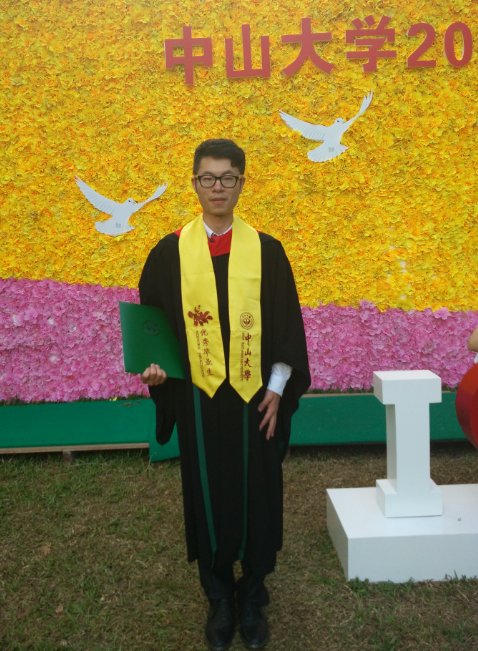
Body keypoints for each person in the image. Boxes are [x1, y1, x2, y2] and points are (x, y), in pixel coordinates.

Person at [139, 139, 310, 650]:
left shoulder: (268, 252)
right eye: (208, 178)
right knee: (207, 492)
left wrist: (277, 389)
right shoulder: (169, 253)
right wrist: (156, 370)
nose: (218, 187)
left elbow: (287, 325)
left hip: (254, 398)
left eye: (228, 177)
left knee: (259, 491)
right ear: (194, 183)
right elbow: (154, 326)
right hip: (198, 397)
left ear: (241, 183)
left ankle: (252, 594)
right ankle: (218, 596)